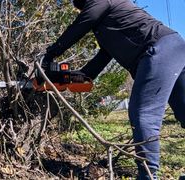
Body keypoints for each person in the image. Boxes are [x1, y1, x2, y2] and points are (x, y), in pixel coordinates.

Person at [42, 0, 185, 179]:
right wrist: (73, 77)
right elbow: (99, 62)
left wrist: (50, 53)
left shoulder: (102, 2)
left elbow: (84, 22)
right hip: (175, 46)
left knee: (143, 115)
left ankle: (148, 176)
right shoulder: (108, 27)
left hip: (158, 48)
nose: (82, 10)